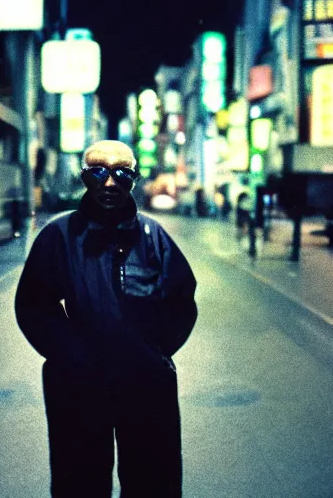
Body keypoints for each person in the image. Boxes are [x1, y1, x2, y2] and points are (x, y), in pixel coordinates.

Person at [15, 140, 198, 498]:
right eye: (98, 172)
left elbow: (181, 301)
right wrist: (71, 356)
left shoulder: (153, 237)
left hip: (146, 386)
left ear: (134, 179)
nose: (110, 183)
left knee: (153, 481)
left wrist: (153, 352)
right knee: (79, 481)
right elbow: (34, 305)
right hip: (77, 388)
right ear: (85, 177)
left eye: (122, 174)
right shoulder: (59, 237)